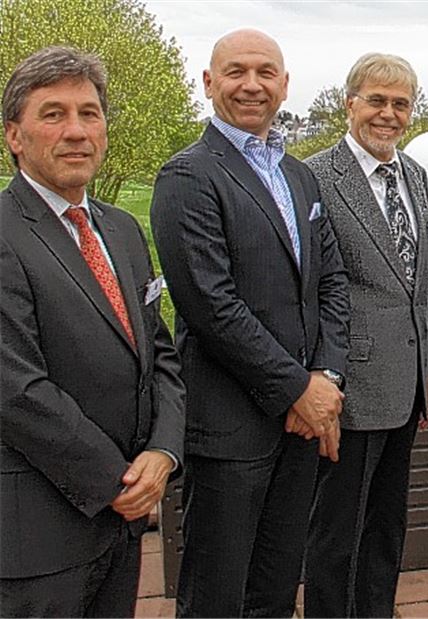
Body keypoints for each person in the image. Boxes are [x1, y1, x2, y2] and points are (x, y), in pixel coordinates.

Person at [150, 29, 350, 617]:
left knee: (275, 591)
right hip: (230, 429)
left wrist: (327, 377)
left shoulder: (299, 177)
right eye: (236, 71)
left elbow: (330, 283)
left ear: (285, 85)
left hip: (299, 427)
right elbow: (211, 306)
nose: (252, 85)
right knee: (216, 597)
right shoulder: (188, 176)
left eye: (266, 72)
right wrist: (298, 389)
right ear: (209, 82)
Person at [0, 46, 185, 617]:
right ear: (14, 135)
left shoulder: (122, 230)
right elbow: (16, 390)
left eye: (89, 113)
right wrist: (117, 481)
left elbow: (159, 353)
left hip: (120, 526)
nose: (76, 131)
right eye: (53, 114)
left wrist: (163, 451)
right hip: (40, 536)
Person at [302, 52, 428, 618]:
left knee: (386, 528)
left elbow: (421, 281)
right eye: (376, 101)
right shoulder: (315, 176)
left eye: (400, 104)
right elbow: (309, 290)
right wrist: (320, 382)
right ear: (350, 103)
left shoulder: (415, 175)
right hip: (348, 387)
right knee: (336, 535)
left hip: (405, 385)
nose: (388, 114)